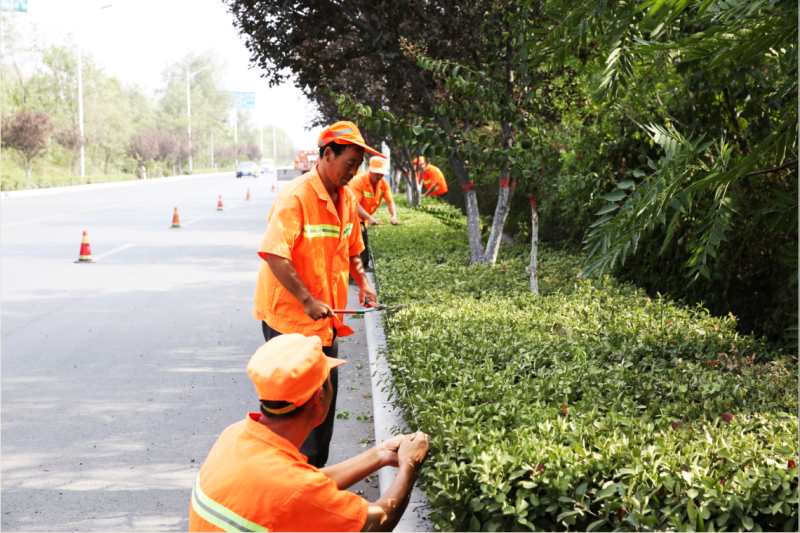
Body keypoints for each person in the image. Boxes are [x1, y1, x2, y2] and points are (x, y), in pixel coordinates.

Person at [189, 334, 430, 532]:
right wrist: (410, 465)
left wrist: (380, 454)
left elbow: (304, 486)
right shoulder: (293, 489)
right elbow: (377, 522)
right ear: (319, 398)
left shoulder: (233, 435)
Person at [252, 120, 380, 468]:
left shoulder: (347, 198)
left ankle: (312, 476)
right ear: (327, 155)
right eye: (349, 164)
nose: (353, 173)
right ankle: (288, 479)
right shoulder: (296, 196)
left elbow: (352, 250)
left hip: (324, 321)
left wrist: (363, 283)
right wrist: (307, 300)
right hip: (290, 321)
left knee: (322, 405)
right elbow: (274, 253)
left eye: (358, 166)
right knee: (293, 411)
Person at [348, 157, 398, 271]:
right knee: (359, 236)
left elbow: (389, 201)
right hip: (351, 214)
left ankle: (362, 267)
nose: (379, 176)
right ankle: (356, 271)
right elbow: (354, 204)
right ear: (370, 170)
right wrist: (369, 218)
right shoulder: (358, 181)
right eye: (377, 173)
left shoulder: (383, 182)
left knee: (362, 237)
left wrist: (394, 216)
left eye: (381, 173)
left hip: (363, 217)